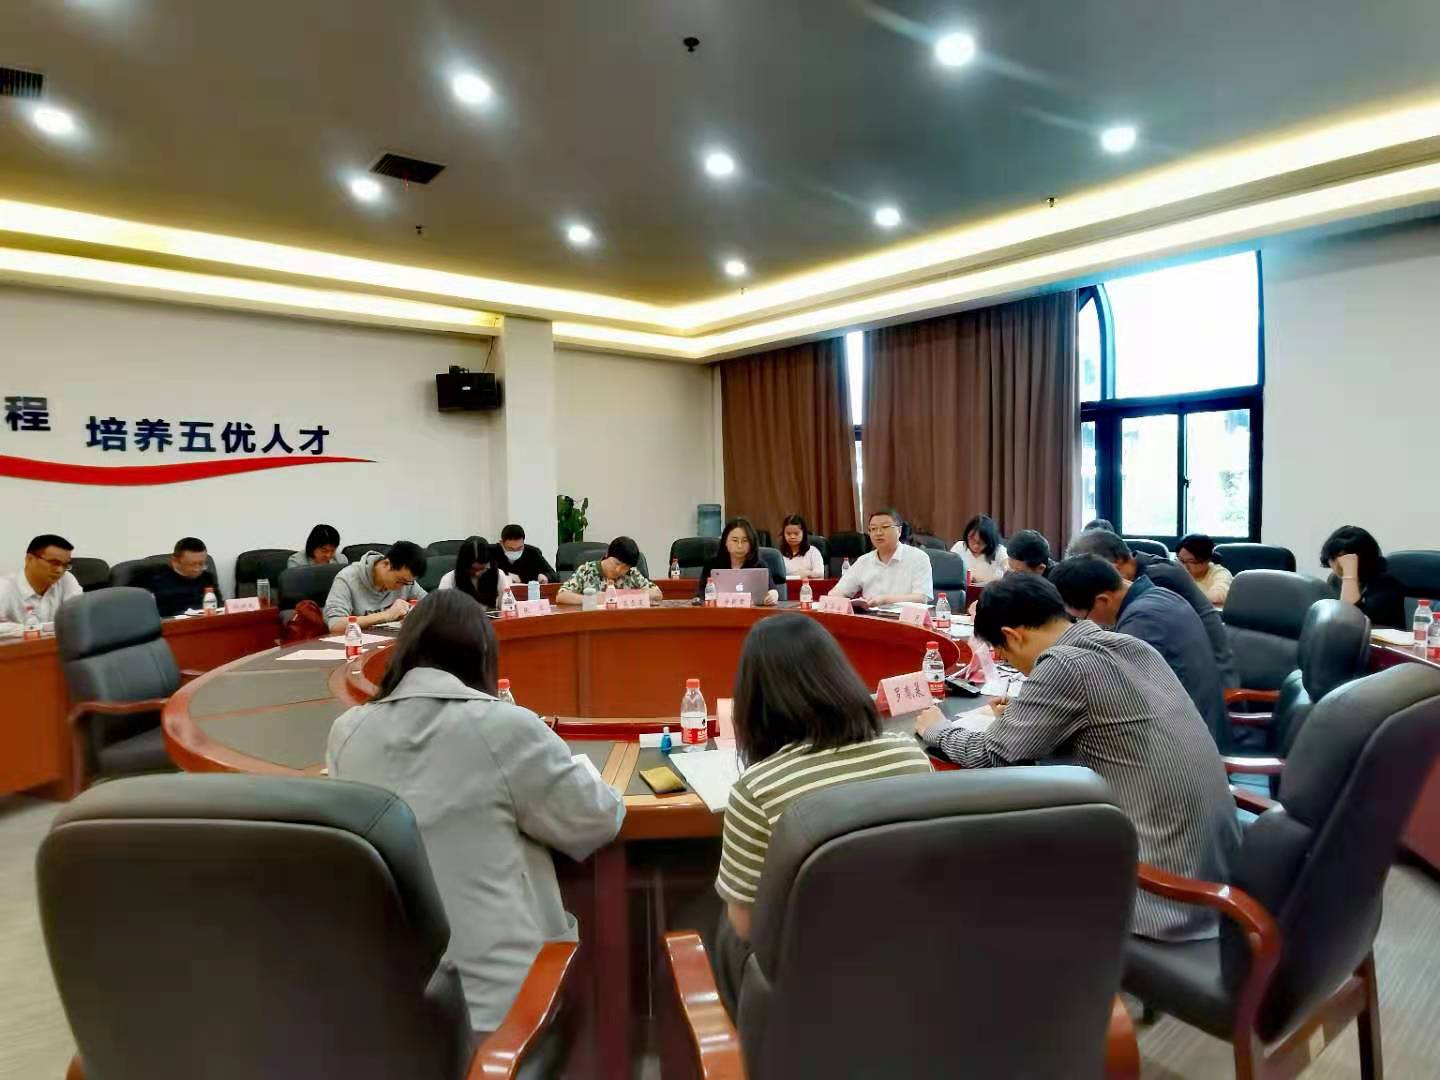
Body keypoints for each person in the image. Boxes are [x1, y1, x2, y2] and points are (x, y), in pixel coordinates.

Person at [326, 590, 623, 1036]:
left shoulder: (346, 733)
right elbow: (595, 819)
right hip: (499, 1010)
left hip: (386, 1008)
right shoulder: (504, 727)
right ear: (483, 656)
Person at [915, 574, 1239, 942]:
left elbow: (992, 755)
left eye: (1005, 655)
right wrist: (1029, 714)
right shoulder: (1129, 645)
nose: (1014, 666)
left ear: (1013, 635)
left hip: (1159, 894)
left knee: (987, 857)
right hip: (1215, 875)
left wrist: (937, 729)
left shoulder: (1063, 665)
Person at [713, 614, 933, 1013]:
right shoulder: (910, 754)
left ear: (754, 701)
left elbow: (746, 925)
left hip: (809, 982)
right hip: (912, 957)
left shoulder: (757, 787)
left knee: (728, 928)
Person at [1051, 555, 1229, 750]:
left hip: (1183, 747)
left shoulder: (1142, 621)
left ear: (1102, 600)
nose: (1088, 622)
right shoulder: (1159, 595)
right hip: (1196, 729)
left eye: (1082, 617)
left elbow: (1114, 694)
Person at [1066, 529, 1238, 691]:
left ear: (1114, 565)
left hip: (1208, 677)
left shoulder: (1158, 579)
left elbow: (1131, 652)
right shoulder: (1143, 569)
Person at [831, 508, 934, 607]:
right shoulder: (864, 561)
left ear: (899, 530)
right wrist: (836, 598)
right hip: (871, 616)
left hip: (905, 616)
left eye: (885, 527)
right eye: (873, 529)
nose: (878, 533)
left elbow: (921, 598)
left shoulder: (918, 558)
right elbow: (838, 591)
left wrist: (884, 600)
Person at [323, 540, 427, 633]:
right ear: (386, 564)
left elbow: (431, 606)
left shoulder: (406, 581)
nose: (402, 587)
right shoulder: (347, 578)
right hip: (357, 643)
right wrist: (387, 615)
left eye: (407, 583)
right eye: (400, 581)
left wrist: (412, 612)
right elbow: (335, 625)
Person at [1320, 525, 1406, 630]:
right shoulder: (1335, 579)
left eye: (1346, 559)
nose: (1337, 564)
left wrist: (1350, 575)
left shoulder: (1386, 585)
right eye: (1333, 558)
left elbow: (1350, 619)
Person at [0, 534, 83, 636]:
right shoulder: (5, 587)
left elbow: (79, 618)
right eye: (54, 563)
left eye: (65, 565)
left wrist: (34, 629)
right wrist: (40, 629)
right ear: (29, 559)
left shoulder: (66, 580)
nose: (60, 570)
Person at [555, 536, 662, 605]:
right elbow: (561, 596)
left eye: (625, 568)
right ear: (607, 555)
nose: (618, 570)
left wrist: (625, 595)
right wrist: (592, 600)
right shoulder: (587, 570)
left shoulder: (632, 573)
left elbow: (657, 594)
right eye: (616, 563)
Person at [696, 517, 779, 606]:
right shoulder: (712, 564)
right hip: (720, 611)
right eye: (735, 540)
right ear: (725, 541)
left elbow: (772, 590)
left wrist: (773, 595)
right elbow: (701, 594)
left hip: (752, 611)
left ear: (751, 543)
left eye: (745, 540)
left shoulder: (760, 565)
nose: (739, 546)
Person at [141, 537, 220, 618]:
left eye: (201, 564)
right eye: (191, 564)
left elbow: (219, 607)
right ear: (175, 561)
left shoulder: (207, 578)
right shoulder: (153, 579)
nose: (197, 569)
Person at [439, 536, 502, 607]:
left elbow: (507, 605)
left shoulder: (499, 575)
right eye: (473, 569)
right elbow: (442, 609)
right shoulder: (449, 579)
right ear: (463, 565)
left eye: (483, 569)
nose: (478, 573)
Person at [1176, 534, 1233, 607]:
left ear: (1207, 560)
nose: (1185, 566)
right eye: (1181, 560)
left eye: (1192, 561)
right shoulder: (1176, 570)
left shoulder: (1220, 573)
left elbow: (1218, 596)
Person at [950, 514, 1008, 584]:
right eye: (972, 540)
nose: (976, 546)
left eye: (981, 542)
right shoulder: (959, 547)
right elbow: (948, 570)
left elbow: (1009, 570)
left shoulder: (998, 550)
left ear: (990, 541)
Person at [493, 523, 557, 585]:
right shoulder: (492, 552)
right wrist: (505, 577)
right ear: (501, 543)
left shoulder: (533, 553)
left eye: (519, 548)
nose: (515, 551)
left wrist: (546, 577)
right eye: (510, 549)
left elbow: (554, 575)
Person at [777, 513, 825, 579]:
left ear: (803, 533)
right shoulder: (778, 554)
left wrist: (808, 573)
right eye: (788, 534)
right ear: (783, 534)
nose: (792, 537)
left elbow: (821, 573)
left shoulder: (813, 552)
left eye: (796, 533)